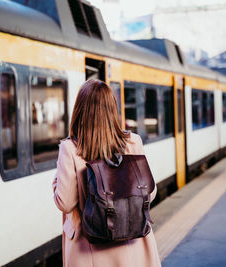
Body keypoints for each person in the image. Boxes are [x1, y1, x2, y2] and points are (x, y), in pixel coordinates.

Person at [52, 79, 161, 267]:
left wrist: (55, 181)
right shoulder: (133, 141)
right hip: (133, 246)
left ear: (79, 111)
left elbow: (66, 202)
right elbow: (149, 194)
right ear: (113, 109)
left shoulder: (70, 148)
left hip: (89, 251)